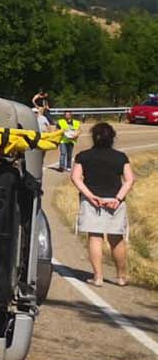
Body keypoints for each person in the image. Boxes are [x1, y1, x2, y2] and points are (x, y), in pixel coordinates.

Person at [71, 122, 135, 287]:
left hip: (92, 201)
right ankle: (121, 276)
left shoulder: (83, 156)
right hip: (115, 201)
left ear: (93, 137)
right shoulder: (121, 157)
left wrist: (90, 196)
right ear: (112, 138)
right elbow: (129, 180)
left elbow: (75, 178)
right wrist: (118, 198)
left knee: (95, 237)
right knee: (116, 239)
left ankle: (98, 277)